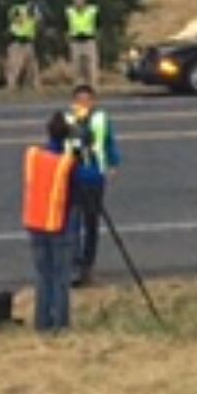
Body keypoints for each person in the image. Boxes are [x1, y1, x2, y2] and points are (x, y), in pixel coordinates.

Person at [22, 112, 96, 334]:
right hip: (60, 223)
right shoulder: (66, 164)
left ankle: (42, 322)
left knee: (43, 275)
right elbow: (93, 178)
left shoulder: (34, 156)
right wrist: (85, 153)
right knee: (61, 276)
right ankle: (60, 324)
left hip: (36, 221)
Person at [67, 84, 120, 287]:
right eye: (79, 100)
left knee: (91, 225)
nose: (83, 103)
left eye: (86, 99)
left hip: (94, 178)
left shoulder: (101, 120)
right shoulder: (68, 121)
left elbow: (109, 143)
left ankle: (88, 267)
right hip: (73, 179)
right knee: (73, 224)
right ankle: (75, 267)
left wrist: (113, 164)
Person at [66, 0, 100, 89]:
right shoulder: (70, 12)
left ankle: (93, 87)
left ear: (84, 1)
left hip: (89, 40)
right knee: (76, 67)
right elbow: (66, 24)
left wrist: (96, 35)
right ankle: (77, 88)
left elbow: (98, 24)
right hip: (75, 41)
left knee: (91, 66)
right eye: (76, 1)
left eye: (80, 0)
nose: (78, 3)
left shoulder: (92, 11)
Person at [6, 2, 40, 91]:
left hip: (28, 41)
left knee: (31, 65)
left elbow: (37, 22)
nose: (31, 15)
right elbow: (11, 15)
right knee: (14, 65)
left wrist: (35, 19)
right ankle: (11, 86)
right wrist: (17, 18)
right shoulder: (18, 9)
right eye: (30, 12)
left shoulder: (35, 14)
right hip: (16, 41)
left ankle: (32, 85)